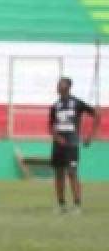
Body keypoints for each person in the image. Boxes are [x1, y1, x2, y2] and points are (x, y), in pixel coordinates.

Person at [49, 77, 99, 214]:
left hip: (72, 143)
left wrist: (90, 136)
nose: (57, 86)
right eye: (57, 84)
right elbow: (51, 126)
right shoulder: (55, 106)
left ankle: (77, 205)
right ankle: (61, 205)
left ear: (68, 86)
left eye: (60, 84)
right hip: (58, 145)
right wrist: (57, 137)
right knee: (58, 174)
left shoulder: (77, 103)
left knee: (72, 173)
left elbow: (97, 115)